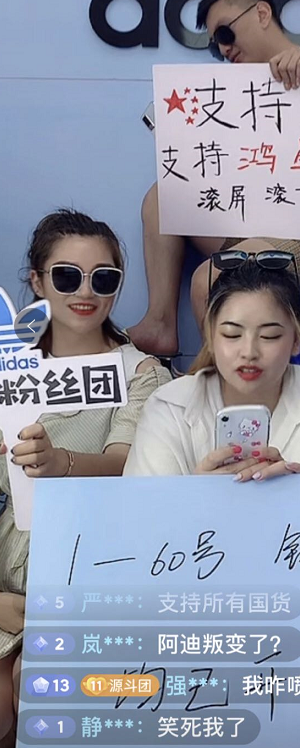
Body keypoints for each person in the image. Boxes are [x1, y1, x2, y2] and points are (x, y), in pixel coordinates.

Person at [129, 0, 300, 356]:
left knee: (209, 280)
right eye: (215, 44)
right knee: (163, 197)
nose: (223, 48)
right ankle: (160, 323)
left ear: (261, 13)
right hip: (256, 219)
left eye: (225, 33)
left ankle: (221, 379)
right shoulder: (235, 92)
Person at [0, 210, 171, 746]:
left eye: (104, 278)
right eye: (67, 276)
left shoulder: (142, 373)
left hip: (91, 572)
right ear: (36, 281)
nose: (86, 292)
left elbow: (125, 462)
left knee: (39, 693)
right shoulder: (7, 369)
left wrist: (61, 464)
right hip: (6, 569)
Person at [125, 255, 300, 478]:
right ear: (210, 336)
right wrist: (199, 494)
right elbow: (145, 514)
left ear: (297, 339)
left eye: (269, 336)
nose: (249, 352)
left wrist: (296, 495)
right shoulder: (169, 407)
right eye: (232, 335)